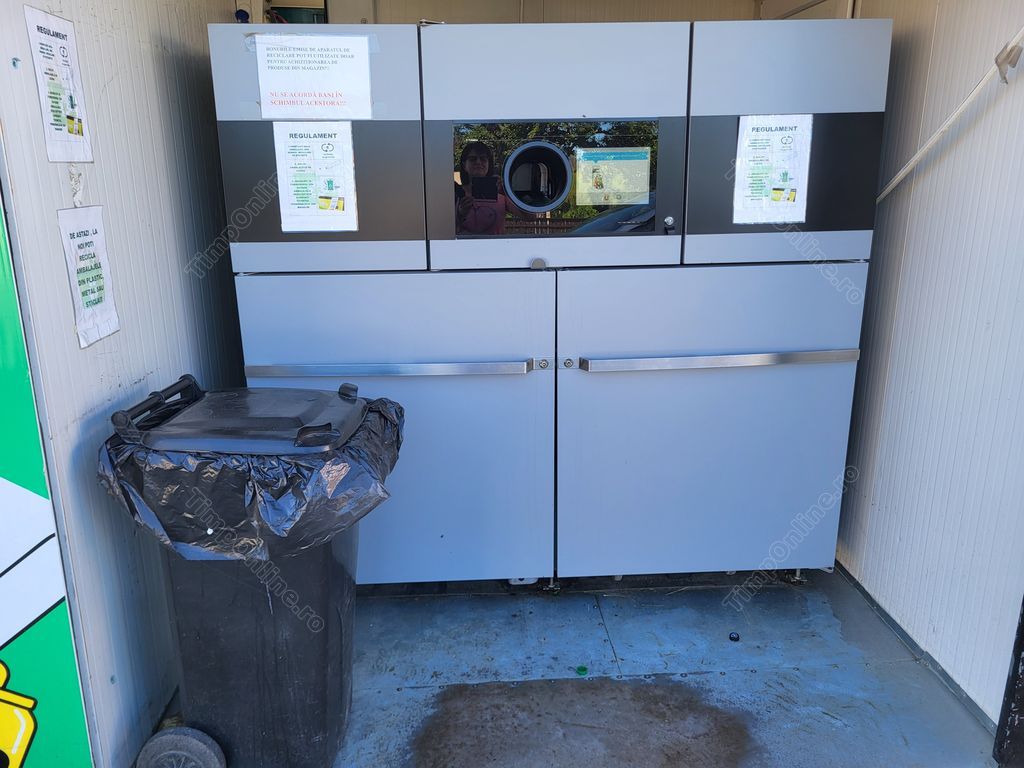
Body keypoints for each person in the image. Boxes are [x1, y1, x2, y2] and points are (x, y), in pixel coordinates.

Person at [455, 141, 520, 235]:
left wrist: (508, 191)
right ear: (464, 165)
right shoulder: (454, 193)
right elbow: (440, 230)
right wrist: (460, 214)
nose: (478, 162)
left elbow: (530, 217)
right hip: (462, 244)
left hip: (495, 245)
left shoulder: (502, 194)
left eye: (483, 159)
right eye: (472, 159)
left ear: (489, 164)